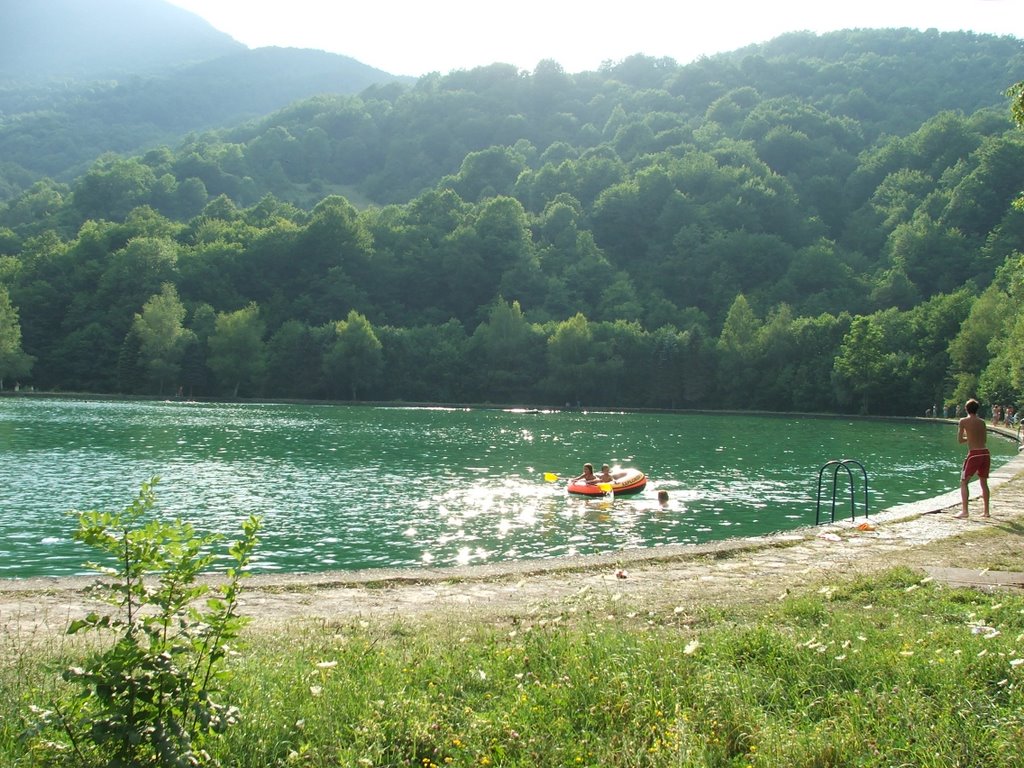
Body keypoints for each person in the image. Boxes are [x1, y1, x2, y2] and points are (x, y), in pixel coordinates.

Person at [955, 398, 990, 519]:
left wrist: (968, 438)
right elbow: (984, 440)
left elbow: (960, 440)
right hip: (985, 453)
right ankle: (986, 511)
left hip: (974, 454)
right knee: (984, 483)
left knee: (964, 482)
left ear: (966, 409)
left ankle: (965, 511)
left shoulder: (963, 421)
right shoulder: (982, 422)